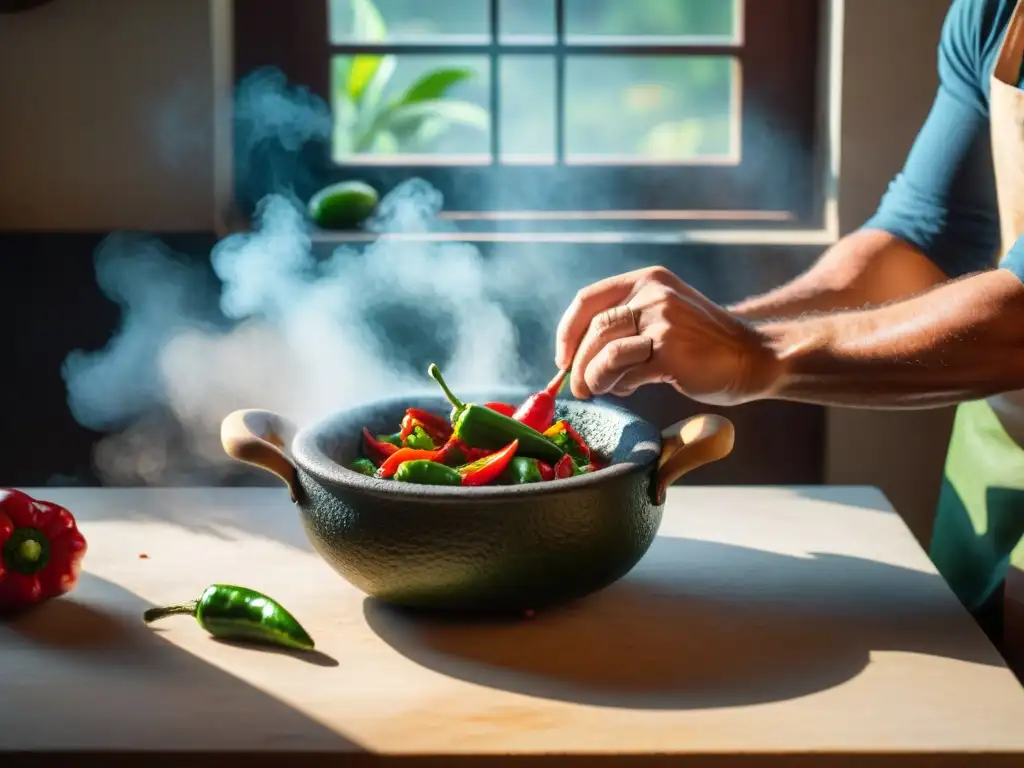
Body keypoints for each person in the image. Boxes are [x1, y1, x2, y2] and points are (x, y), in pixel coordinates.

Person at [555, 0, 1024, 676]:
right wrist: (726, 330)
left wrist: (758, 356)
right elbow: (926, 240)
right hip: (992, 485)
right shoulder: (994, 14)